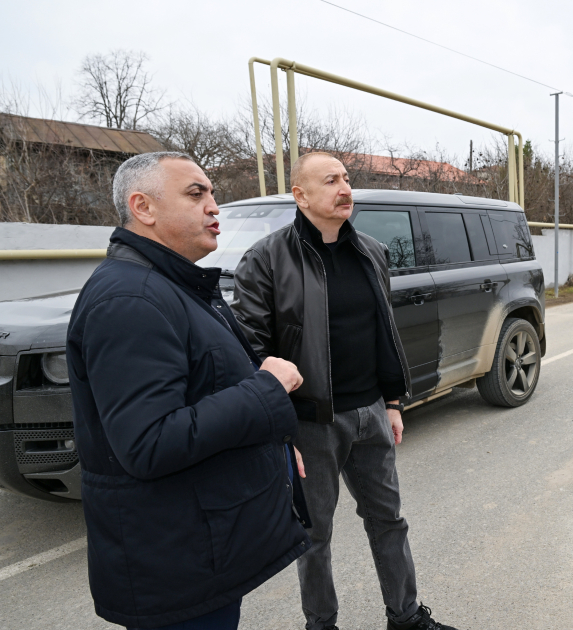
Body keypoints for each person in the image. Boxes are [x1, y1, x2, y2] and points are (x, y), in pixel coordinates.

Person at [67, 152, 312, 630]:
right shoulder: (131, 299)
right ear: (143, 207)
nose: (214, 206)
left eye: (212, 193)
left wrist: (275, 441)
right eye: (196, 194)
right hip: (178, 565)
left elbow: (207, 388)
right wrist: (267, 390)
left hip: (200, 551)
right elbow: (149, 442)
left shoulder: (174, 284)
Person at [231, 152, 457, 630]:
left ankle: (406, 617)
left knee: (389, 519)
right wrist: (279, 429)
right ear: (301, 195)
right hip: (310, 423)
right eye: (331, 180)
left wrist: (392, 402)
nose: (345, 188)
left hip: (371, 412)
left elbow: (382, 332)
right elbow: (250, 352)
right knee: (314, 534)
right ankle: (321, 624)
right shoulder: (266, 259)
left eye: (347, 179)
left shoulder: (371, 251)